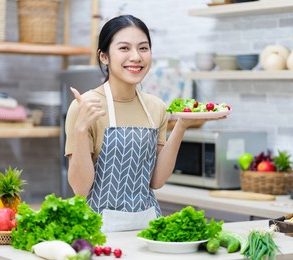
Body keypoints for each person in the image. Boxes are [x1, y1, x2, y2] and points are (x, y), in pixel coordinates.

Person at [65, 15, 221, 232]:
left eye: (143, 48)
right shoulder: (85, 106)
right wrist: (81, 129)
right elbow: (80, 189)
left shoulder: (156, 107)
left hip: (147, 228)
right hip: (97, 232)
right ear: (104, 56)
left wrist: (181, 126)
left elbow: (156, 181)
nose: (136, 57)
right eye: (124, 48)